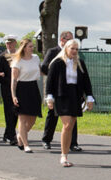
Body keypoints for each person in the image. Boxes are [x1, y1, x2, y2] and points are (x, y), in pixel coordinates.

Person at [45, 39, 95, 167]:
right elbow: (50, 81)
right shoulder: (57, 62)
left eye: (76, 49)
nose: (74, 51)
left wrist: (89, 97)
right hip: (61, 96)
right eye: (72, 48)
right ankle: (63, 156)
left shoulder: (80, 63)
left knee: (71, 126)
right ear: (66, 48)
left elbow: (86, 81)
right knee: (67, 125)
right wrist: (49, 97)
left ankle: (66, 153)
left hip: (75, 96)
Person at [40, 31, 81, 151]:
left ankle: (73, 143)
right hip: (56, 90)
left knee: (72, 118)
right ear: (62, 40)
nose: (72, 44)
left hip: (70, 92)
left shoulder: (75, 54)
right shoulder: (53, 52)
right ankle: (47, 139)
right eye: (69, 40)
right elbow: (44, 67)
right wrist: (56, 78)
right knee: (52, 115)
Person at [11, 39, 42, 153]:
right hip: (22, 88)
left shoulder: (36, 58)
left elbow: (40, 71)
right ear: (24, 48)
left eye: (32, 46)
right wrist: (13, 95)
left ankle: (20, 136)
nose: (32, 48)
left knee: (33, 118)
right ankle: (26, 144)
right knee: (22, 118)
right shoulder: (17, 61)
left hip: (33, 87)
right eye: (30, 46)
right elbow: (14, 80)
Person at [0, 35, 18, 144]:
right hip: (7, 88)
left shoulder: (19, 55)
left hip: (19, 87)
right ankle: (11, 135)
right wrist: (2, 76)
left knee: (16, 111)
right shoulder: (2, 56)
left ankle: (8, 133)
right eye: (7, 43)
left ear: (15, 43)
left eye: (11, 42)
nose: (9, 45)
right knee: (9, 111)